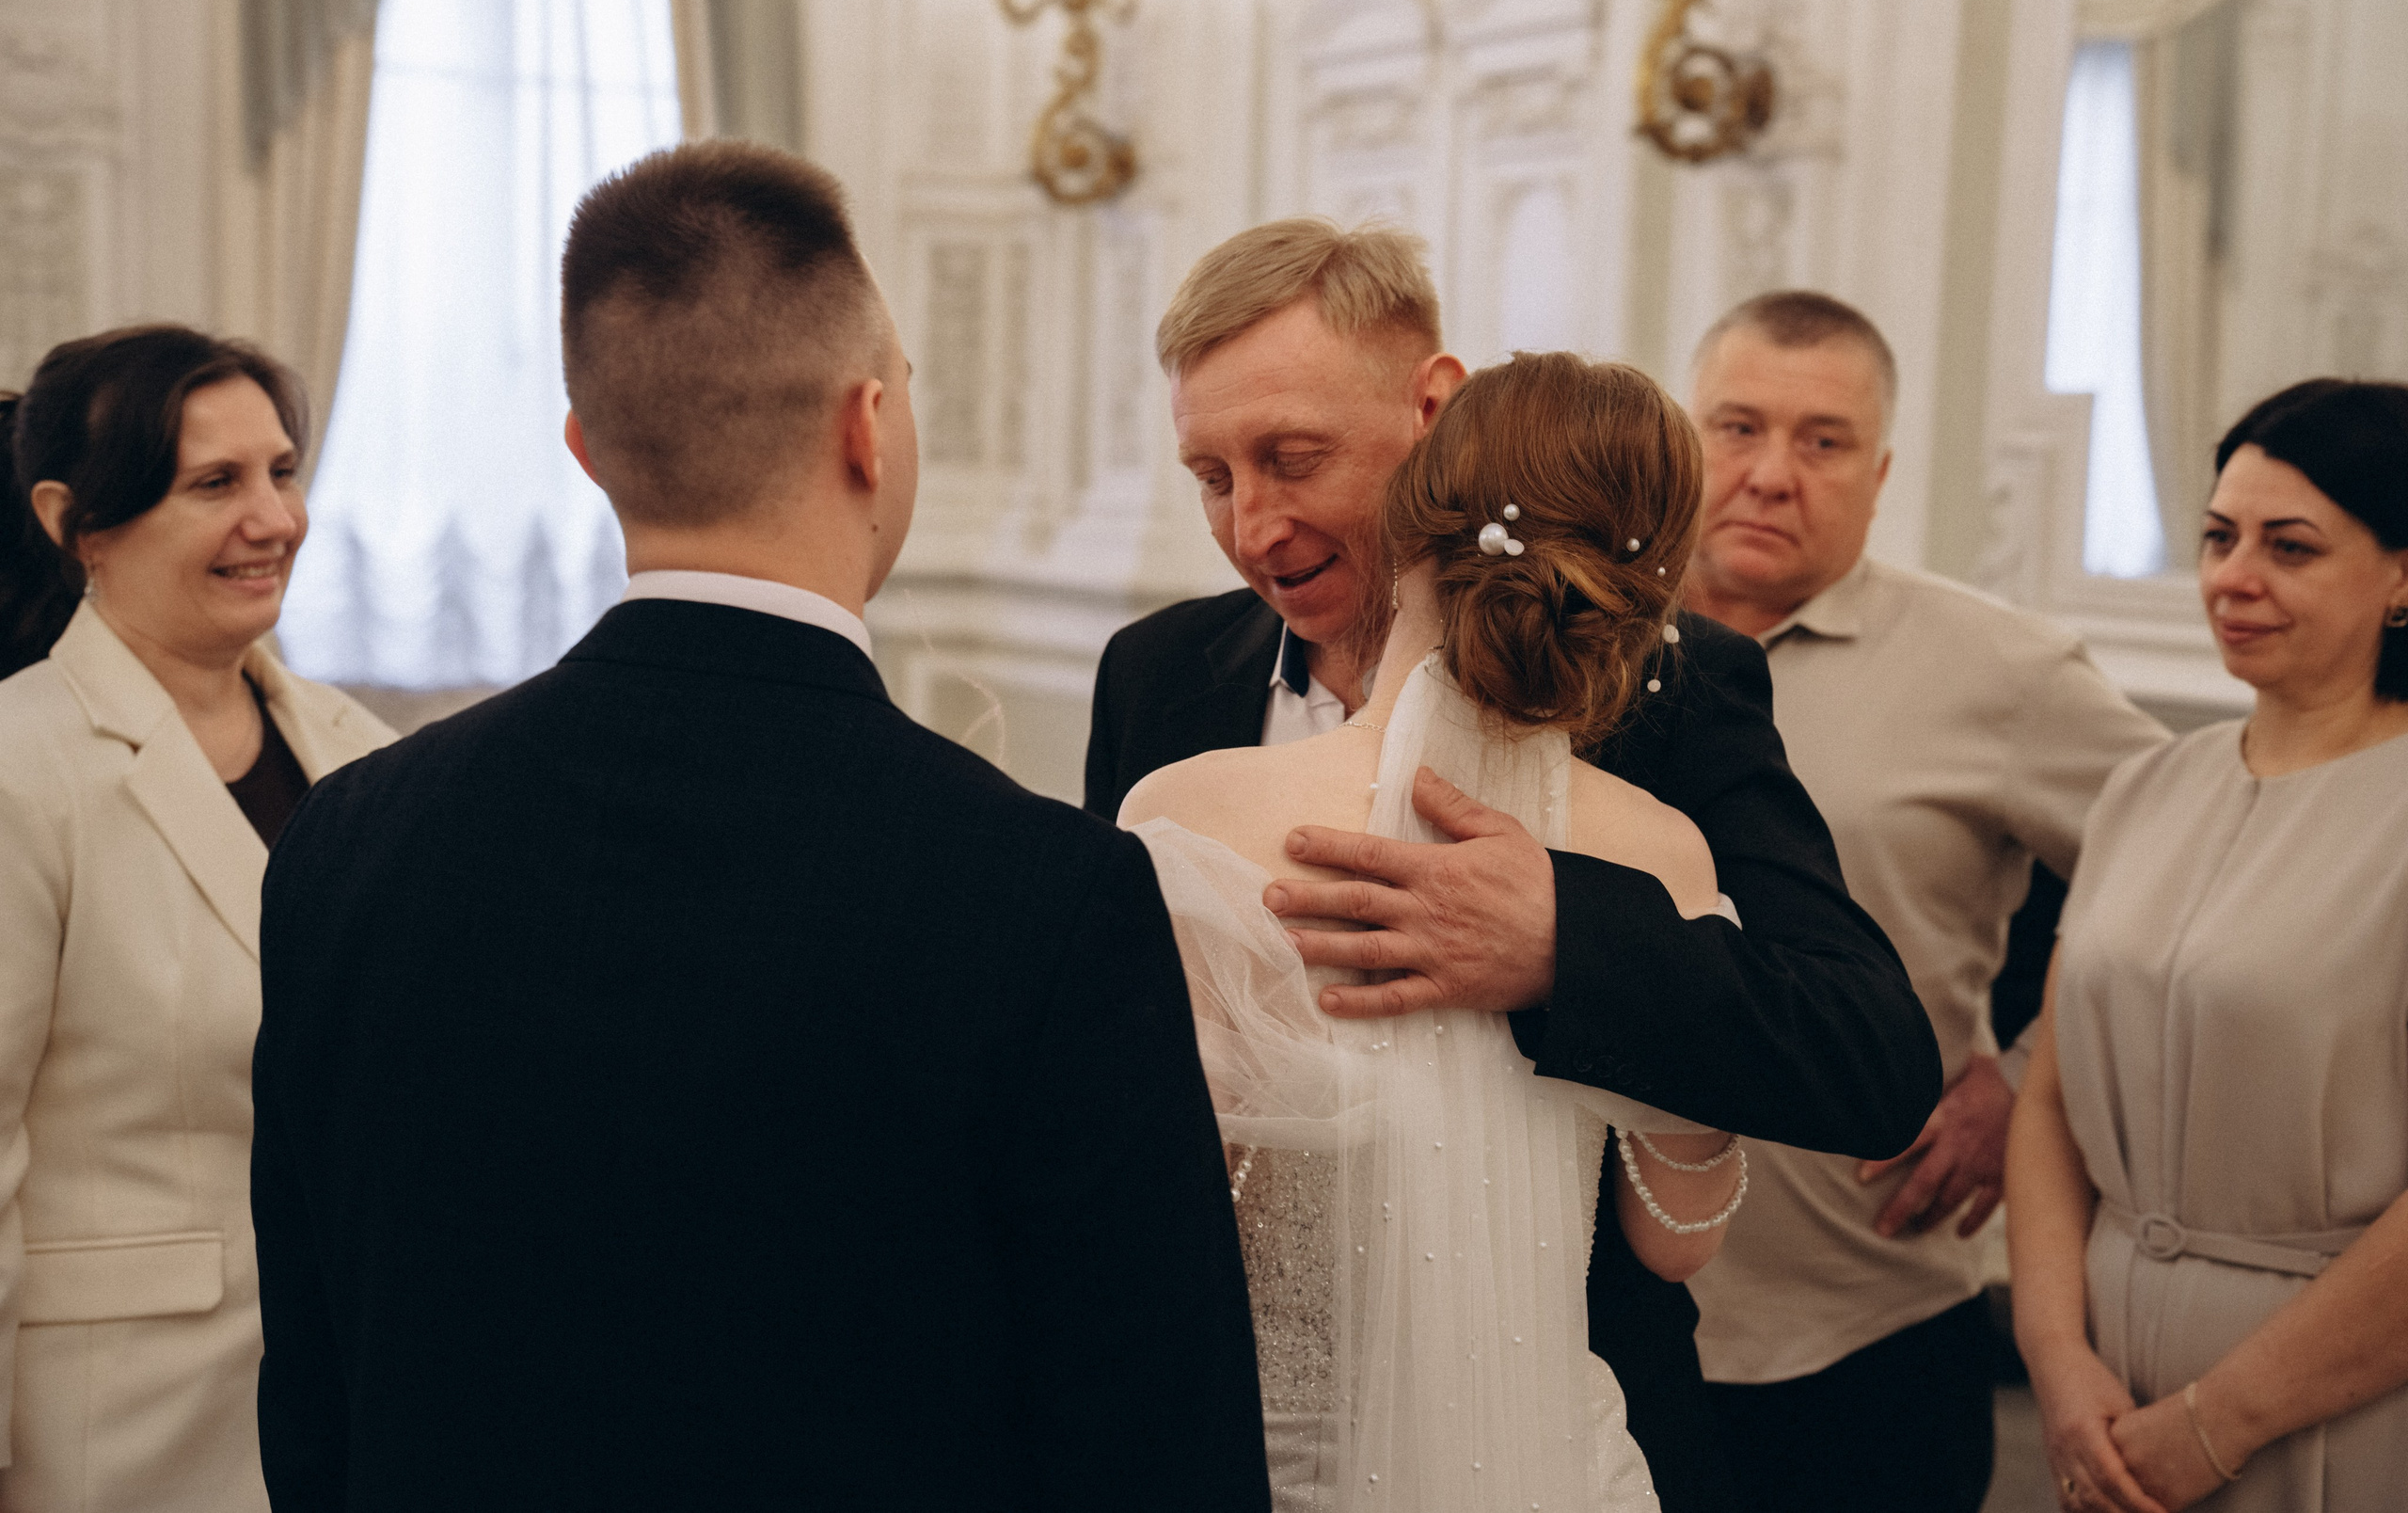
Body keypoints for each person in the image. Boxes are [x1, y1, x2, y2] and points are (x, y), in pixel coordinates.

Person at [248, 142, 1271, 1512]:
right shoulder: (1050, 895)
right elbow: (1156, 1443)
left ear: (587, 448)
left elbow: (311, 1393)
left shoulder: (344, 841)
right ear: (868, 423)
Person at [1084, 217, 1941, 1511]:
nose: (1252, 524)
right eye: (1211, 474)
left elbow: (1867, 1050)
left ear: (1435, 407)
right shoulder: (1154, 681)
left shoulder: (1673, 689)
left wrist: (1567, 939)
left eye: (1292, 458)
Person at [1122, 351, 1749, 1511]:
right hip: (1566, 1470)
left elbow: (1154, 1238)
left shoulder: (1191, 815)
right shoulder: (1662, 856)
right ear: (1650, 593)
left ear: (1409, 525)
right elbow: (1676, 1243)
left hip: (1282, 1472)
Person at [1671, 291, 2168, 1511]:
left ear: (1881, 471)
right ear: (1685, 437)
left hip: (1866, 1325)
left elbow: (2193, 872)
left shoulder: (2000, 674)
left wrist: (2031, 1071)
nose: (1771, 473)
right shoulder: (1575, 639)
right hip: (1597, 1307)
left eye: (1823, 441)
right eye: (1737, 426)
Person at [0, 326, 395, 1512]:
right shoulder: (22, 767)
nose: (273, 519)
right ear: (76, 522)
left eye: (281, 472)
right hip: (109, 1434)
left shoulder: (360, 754)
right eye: (214, 484)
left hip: (338, 1417)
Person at [2008, 378, 2408, 1513]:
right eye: (2219, 537)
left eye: (2291, 547)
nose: (2234, 578)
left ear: (2401, 577)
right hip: (2106, 1399)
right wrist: (2054, 1356)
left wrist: (2215, 1422)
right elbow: (2049, 1101)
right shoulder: (2144, 787)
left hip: (2337, 1405)